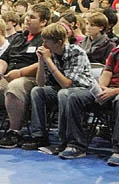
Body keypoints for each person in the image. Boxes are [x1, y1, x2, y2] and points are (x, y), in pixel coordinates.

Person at [59, 16, 119, 166]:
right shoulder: (116, 52)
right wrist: (101, 89)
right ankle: (76, 144)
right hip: (111, 90)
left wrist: (114, 91)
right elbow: (106, 75)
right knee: (75, 96)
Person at [0, 4, 49, 148]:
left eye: (32, 17)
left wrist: (20, 73)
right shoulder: (19, 37)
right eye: (27, 16)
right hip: (8, 75)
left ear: (43, 22)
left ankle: (14, 132)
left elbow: (44, 62)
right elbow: (4, 59)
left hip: (32, 78)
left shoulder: (46, 39)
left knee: (14, 87)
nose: (27, 19)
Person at [22, 22, 97, 151]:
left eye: (47, 42)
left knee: (64, 93)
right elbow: (40, 83)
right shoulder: (49, 54)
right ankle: (39, 136)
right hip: (63, 90)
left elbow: (67, 84)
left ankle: (64, 140)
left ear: (59, 42)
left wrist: (49, 61)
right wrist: (41, 60)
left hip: (83, 91)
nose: (43, 45)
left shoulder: (76, 52)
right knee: (37, 91)